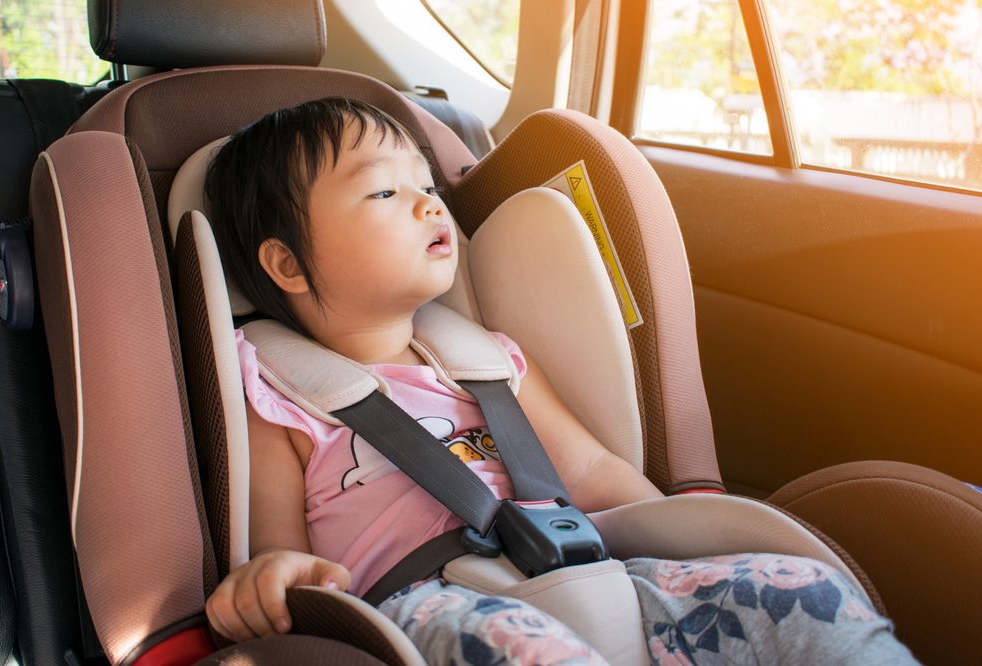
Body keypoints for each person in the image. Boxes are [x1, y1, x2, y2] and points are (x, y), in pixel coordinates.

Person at [203, 97, 917, 665]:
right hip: (425, 609)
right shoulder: (279, 393)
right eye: (386, 192)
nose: (429, 203)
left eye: (427, 184)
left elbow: (593, 472)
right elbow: (277, 545)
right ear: (287, 266)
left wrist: (686, 540)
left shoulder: (490, 360)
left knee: (795, 591)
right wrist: (275, 579)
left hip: (583, 569)